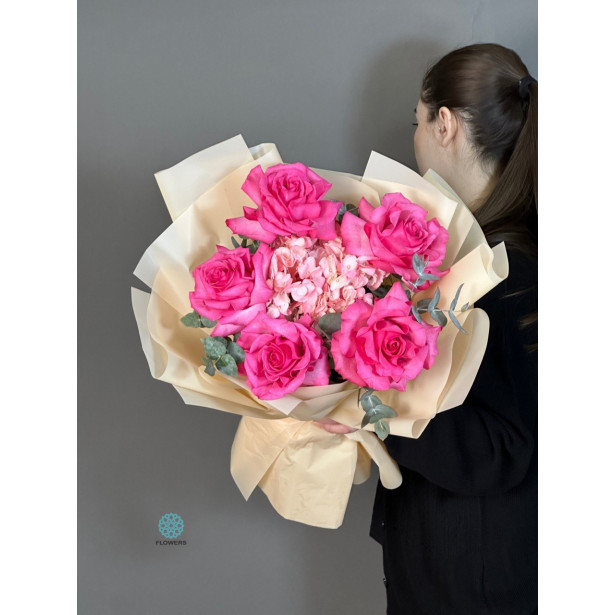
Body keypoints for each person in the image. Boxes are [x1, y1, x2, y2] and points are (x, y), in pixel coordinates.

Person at [315, 43, 538, 614]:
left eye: (416, 121)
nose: (413, 140)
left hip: (476, 573)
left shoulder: (505, 268)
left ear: (444, 124)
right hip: (462, 557)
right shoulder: (482, 252)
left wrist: (372, 405)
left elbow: (505, 448)